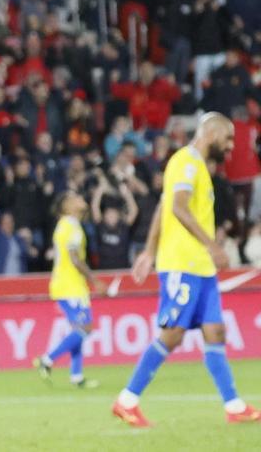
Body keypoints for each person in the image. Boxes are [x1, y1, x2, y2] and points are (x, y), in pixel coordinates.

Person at [114, 112, 261, 426]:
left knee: (215, 331)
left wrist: (150, 250)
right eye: (228, 138)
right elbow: (176, 207)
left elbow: (165, 206)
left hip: (201, 267)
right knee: (172, 335)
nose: (232, 146)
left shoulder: (199, 169)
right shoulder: (185, 161)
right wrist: (211, 244)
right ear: (210, 133)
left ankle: (234, 406)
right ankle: (126, 400)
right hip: (183, 264)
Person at [33, 191, 100, 388]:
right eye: (75, 198)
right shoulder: (71, 226)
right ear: (67, 206)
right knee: (85, 328)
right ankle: (47, 360)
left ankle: (76, 376)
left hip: (69, 284)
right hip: (69, 286)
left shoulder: (66, 225)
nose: (81, 198)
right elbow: (74, 258)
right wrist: (95, 280)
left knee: (78, 330)